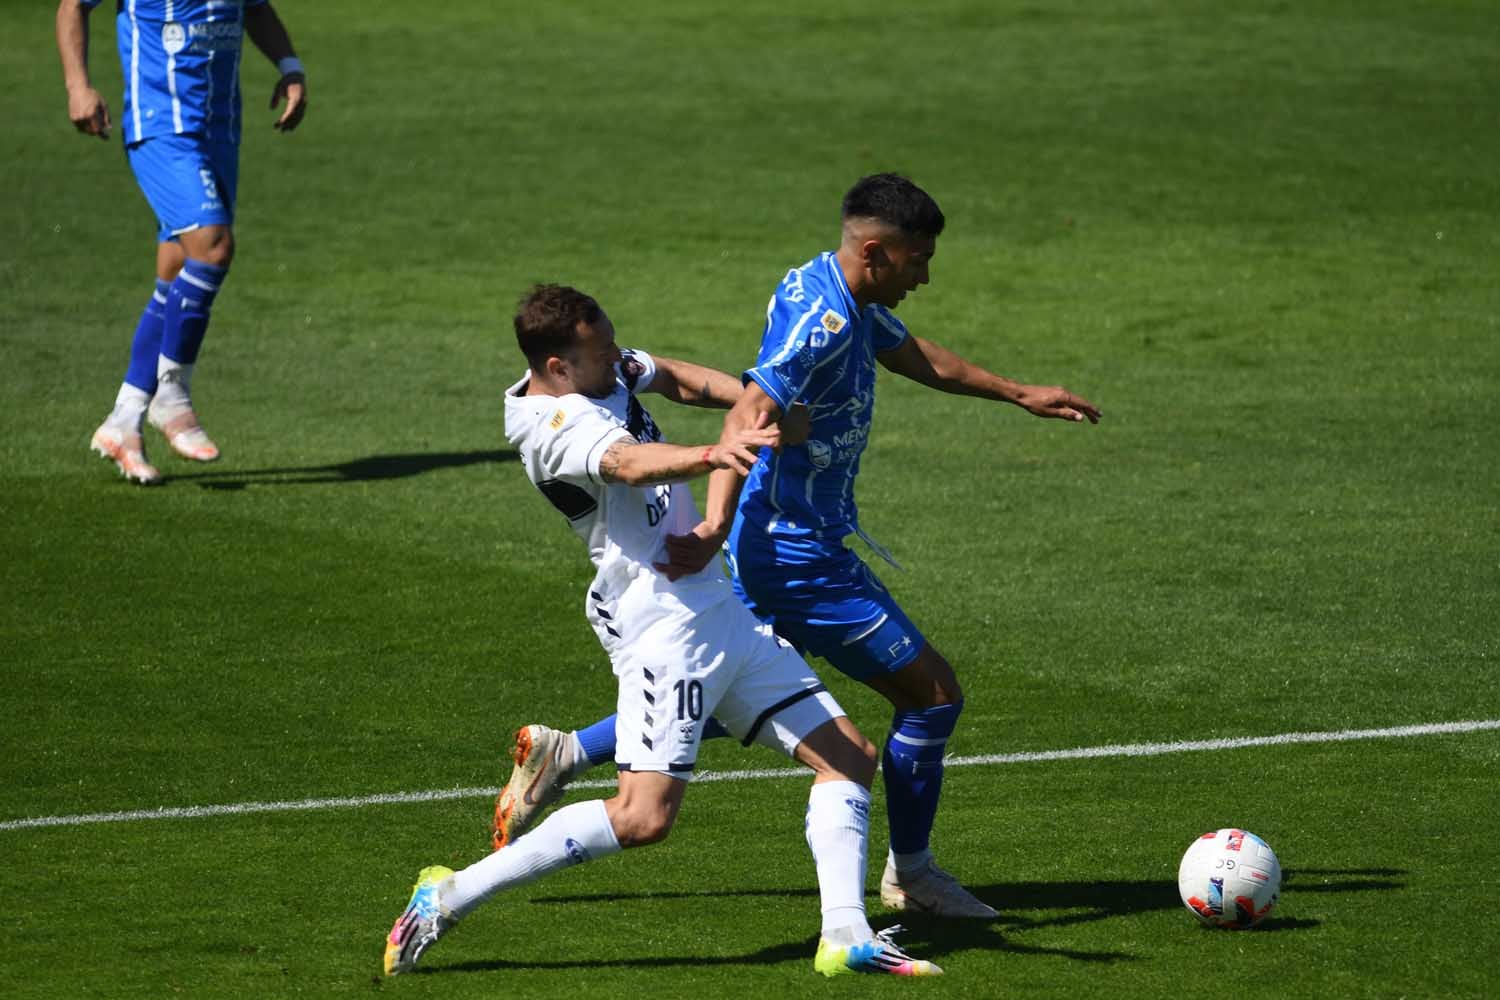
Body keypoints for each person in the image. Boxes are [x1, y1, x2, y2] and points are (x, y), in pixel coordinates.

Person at [495, 175, 1101, 920]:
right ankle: (907, 877)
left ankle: (570, 751)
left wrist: (1017, 392)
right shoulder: (819, 322)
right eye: (919, 259)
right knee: (931, 697)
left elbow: (912, 356)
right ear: (876, 253)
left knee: (736, 682)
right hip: (794, 552)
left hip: (782, 541)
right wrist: (715, 519)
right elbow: (750, 407)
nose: (927, 274)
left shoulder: (844, 293)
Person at [383, 285, 940, 979]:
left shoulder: (601, 366)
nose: (617, 358)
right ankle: (452, 891)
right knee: (643, 818)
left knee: (849, 757)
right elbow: (628, 464)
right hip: (663, 626)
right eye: (601, 351)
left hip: (719, 608)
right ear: (557, 366)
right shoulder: (552, 425)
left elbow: (672, 375)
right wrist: (717, 453)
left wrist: (751, 404)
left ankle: (844, 937)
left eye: (616, 341)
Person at [56, 0, 309, 485]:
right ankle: (171, 393)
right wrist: (78, 85)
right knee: (212, 247)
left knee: (176, 268)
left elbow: (256, 9)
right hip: (162, 126)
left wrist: (290, 66)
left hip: (219, 130)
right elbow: (72, 6)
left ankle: (124, 420)